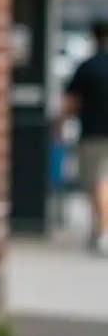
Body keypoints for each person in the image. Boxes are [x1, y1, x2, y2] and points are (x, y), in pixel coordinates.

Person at [61, 20, 108, 253]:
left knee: (97, 181)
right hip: (95, 133)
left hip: (94, 133)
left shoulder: (88, 67)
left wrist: (60, 123)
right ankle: (99, 229)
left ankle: (103, 231)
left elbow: (71, 102)